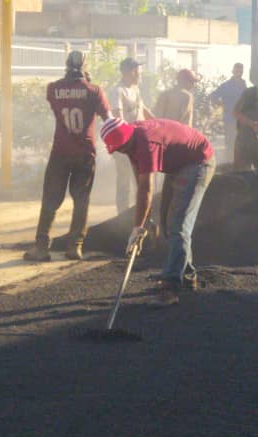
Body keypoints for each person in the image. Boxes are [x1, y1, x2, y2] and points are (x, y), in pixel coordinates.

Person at [100, 117, 215, 305]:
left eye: (121, 147)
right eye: (118, 149)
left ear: (127, 139)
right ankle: (187, 277)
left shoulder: (145, 143)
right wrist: (145, 219)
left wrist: (136, 228)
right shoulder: (131, 139)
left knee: (179, 225)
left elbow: (146, 188)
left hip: (198, 162)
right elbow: (140, 177)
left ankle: (170, 287)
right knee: (167, 224)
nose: (121, 151)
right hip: (178, 164)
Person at [23, 51, 111, 262]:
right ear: (85, 66)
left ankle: (41, 247)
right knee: (81, 200)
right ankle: (75, 246)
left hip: (61, 152)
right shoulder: (95, 91)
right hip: (85, 152)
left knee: (51, 200)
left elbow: (61, 99)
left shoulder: (53, 89)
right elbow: (107, 117)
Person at [111, 57, 154, 214]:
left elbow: (143, 109)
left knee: (141, 181)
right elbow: (118, 117)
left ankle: (141, 213)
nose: (139, 73)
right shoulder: (118, 91)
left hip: (139, 142)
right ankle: (122, 215)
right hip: (125, 144)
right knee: (124, 182)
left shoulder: (135, 89)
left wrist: (158, 124)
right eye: (137, 70)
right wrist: (127, 141)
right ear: (128, 72)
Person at [209, 62, 247, 163]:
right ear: (233, 71)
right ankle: (229, 163)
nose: (239, 72)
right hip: (230, 120)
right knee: (230, 143)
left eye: (240, 70)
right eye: (237, 70)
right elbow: (213, 96)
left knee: (242, 143)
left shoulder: (244, 86)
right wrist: (219, 104)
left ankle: (239, 163)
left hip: (243, 120)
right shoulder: (226, 86)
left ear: (242, 72)